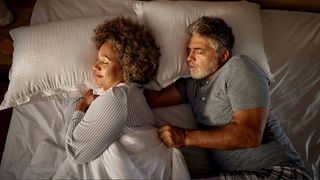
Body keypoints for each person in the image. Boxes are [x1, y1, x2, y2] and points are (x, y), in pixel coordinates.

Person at [145, 16, 311, 179]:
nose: (189, 58)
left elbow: (250, 135)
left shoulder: (239, 67)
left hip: (278, 171)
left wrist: (185, 137)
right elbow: (153, 98)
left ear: (223, 56)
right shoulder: (191, 84)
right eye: (189, 51)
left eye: (198, 51)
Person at [53, 16, 190, 179]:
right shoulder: (133, 94)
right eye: (97, 60)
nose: (94, 66)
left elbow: (75, 152)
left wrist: (81, 106)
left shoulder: (119, 96)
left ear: (127, 68)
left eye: (104, 62)